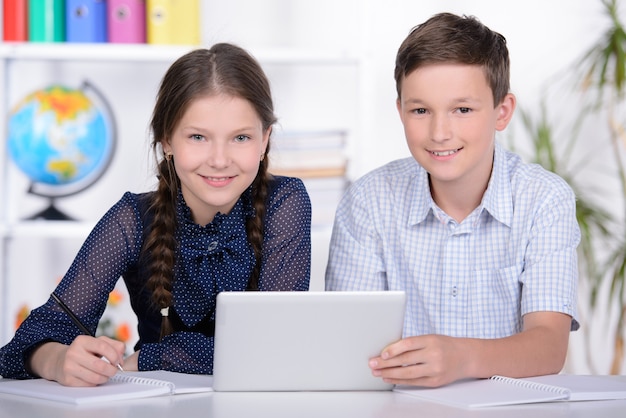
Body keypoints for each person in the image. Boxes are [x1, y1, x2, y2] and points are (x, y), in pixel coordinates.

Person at [0, 43, 312, 386]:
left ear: (265, 138)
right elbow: (34, 337)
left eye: (240, 137)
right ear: (166, 139)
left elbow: (276, 344)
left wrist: (155, 354)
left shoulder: (286, 202)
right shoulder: (132, 219)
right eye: (198, 137)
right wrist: (57, 360)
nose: (220, 160)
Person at [325, 12, 580, 388]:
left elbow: (549, 346)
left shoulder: (544, 199)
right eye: (420, 110)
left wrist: (462, 358)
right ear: (400, 111)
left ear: (501, 112)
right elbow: (347, 343)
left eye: (462, 109)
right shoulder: (368, 201)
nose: (440, 132)